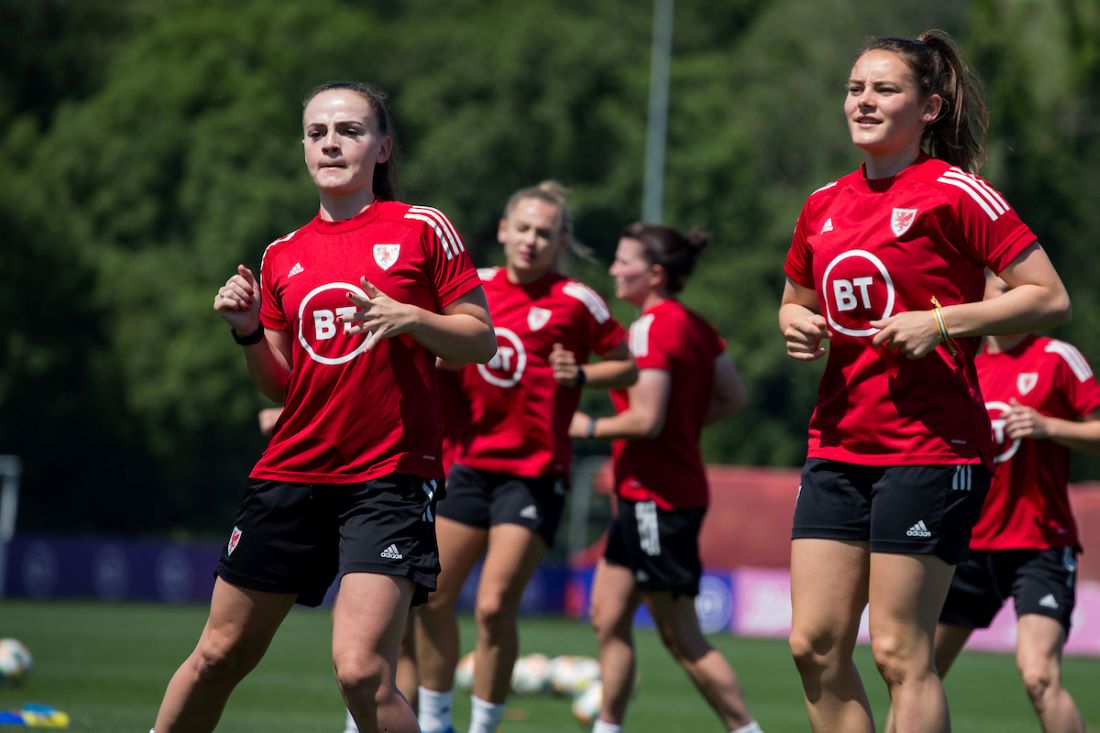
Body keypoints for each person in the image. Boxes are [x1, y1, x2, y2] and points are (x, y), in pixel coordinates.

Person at [152, 80, 495, 733]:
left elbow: (480, 338)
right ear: (305, 148)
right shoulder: (283, 253)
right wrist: (250, 329)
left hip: (389, 478)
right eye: (317, 132)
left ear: (383, 146)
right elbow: (283, 386)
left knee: (363, 670)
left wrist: (413, 317)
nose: (332, 142)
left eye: (350, 130)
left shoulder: (423, 228)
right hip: (291, 473)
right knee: (217, 654)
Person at [779, 30, 1072, 733]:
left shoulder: (955, 192)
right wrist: (795, 322)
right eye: (856, 88)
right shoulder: (824, 202)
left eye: (885, 89)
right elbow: (794, 297)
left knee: (898, 650)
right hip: (838, 444)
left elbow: (1047, 296)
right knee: (813, 644)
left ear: (930, 107)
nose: (864, 101)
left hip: (929, 450)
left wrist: (941, 322)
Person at [413, 181, 637, 733]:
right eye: (524, 229)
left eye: (545, 232)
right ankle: (435, 720)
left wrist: (581, 374)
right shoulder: (475, 289)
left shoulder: (578, 301)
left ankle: (483, 727)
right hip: (464, 466)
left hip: (534, 475)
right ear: (503, 232)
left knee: (493, 607)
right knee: (433, 598)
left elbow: (627, 364)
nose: (532, 241)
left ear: (560, 241)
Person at [570, 222, 760, 733]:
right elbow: (732, 397)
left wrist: (583, 425)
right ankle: (607, 726)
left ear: (654, 274)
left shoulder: (652, 328)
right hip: (644, 497)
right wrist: (679, 421)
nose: (612, 269)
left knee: (683, 638)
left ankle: (746, 729)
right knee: (607, 617)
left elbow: (645, 420)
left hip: (660, 500)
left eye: (622, 260)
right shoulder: (696, 325)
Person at [927, 273, 1099, 733]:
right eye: (1005, 292)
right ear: (980, 297)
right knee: (914, 672)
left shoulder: (1057, 358)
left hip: (1038, 545)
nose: (1018, 301)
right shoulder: (959, 362)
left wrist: (1049, 427)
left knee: (1039, 676)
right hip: (965, 546)